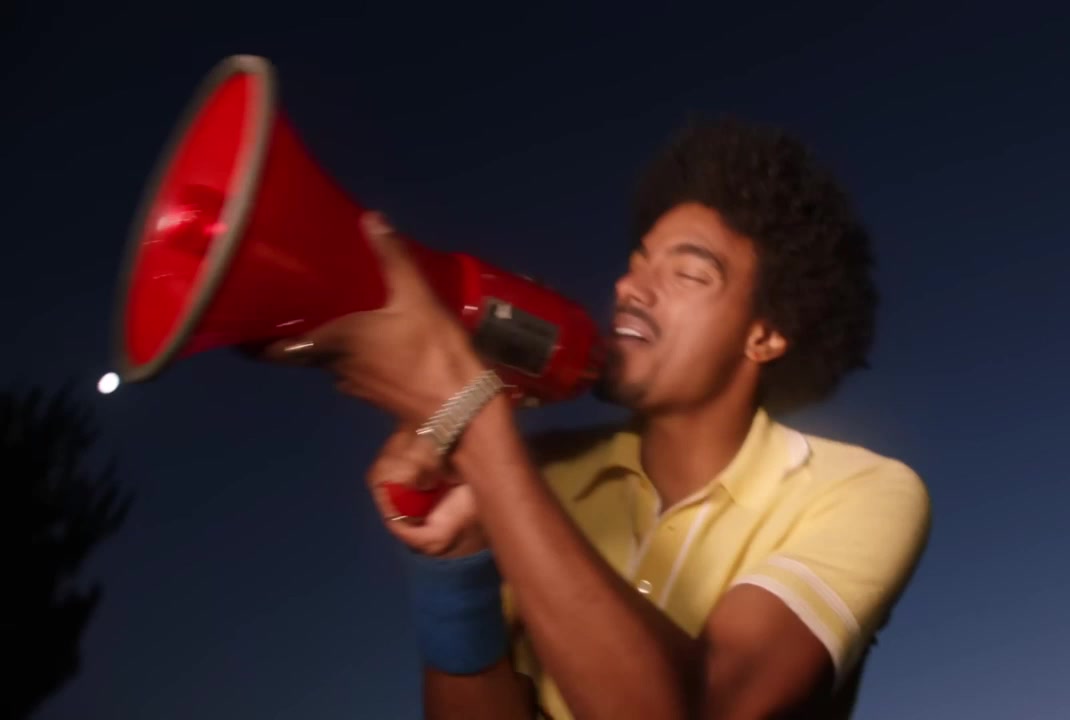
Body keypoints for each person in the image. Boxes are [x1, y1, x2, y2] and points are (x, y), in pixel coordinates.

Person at [268, 117, 931, 719]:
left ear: (765, 336)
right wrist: (455, 570)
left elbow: (713, 707)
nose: (628, 287)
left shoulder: (860, 491)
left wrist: (474, 417)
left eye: (688, 274)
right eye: (637, 263)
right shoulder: (538, 476)